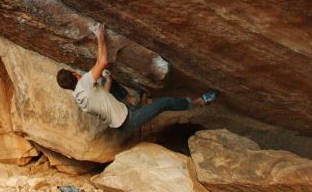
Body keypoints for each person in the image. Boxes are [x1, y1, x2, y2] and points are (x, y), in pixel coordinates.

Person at [56, 24, 217, 132]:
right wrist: (100, 36)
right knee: (164, 103)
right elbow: (103, 61)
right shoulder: (84, 83)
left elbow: (103, 95)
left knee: (107, 79)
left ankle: (132, 100)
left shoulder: (79, 98)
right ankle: (197, 103)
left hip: (120, 121)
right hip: (130, 119)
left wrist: (109, 81)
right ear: (76, 75)